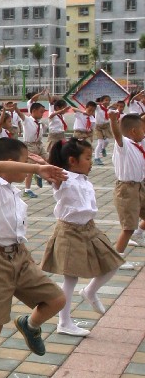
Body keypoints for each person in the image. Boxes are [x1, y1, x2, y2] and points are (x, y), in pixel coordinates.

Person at [0, 136, 67, 378]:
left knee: (57, 299)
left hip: (19, 256)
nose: (27, 167)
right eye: (22, 162)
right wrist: (36, 169)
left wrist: (42, 166)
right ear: (11, 162)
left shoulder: (12, 189)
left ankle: (30, 324)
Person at [41, 137, 123, 335]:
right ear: (72, 160)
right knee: (71, 279)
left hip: (89, 228)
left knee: (113, 262)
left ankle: (90, 291)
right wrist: (44, 165)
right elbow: (53, 176)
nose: (91, 161)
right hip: (70, 231)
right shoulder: (64, 179)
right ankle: (64, 322)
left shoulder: (83, 179)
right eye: (87, 158)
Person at [109, 109, 145, 266]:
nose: (144, 133)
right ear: (134, 131)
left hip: (139, 186)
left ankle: (139, 233)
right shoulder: (124, 145)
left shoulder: (138, 144)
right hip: (126, 190)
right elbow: (117, 135)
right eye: (143, 130)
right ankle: (117, 256)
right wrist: (112, 119)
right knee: (128, 226)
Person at [19, 101, 47, 198]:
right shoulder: (27, 120)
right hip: (29, 145)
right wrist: (14, 109)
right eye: (41, 112)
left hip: (39, 144)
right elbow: (20, 115)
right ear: (34, 111)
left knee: (47, 159)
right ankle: (27, 189)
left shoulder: (39, 123)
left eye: (43, 112)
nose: (42, 114)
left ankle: (39, 174)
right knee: (30, 168)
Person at [93, 94, 112, 165]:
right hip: (98, 127)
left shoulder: (109, 109)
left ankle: (103, 149)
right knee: (100, 142)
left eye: (109, 100)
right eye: (106, 100)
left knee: (106, 141)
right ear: (102, 101)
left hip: (106, 127)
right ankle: (96, 158)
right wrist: (100, 103)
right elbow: (92, 103)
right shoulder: (98, 107)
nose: (108, 102)